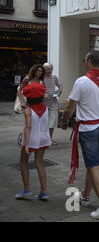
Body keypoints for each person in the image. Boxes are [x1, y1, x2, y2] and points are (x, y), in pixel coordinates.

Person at [61, 51, 99, 220]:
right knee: (94, 163)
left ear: (90, 62)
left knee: (93, 165)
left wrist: (64, 120)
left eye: (85, 60)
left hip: (88, 129)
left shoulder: (82, 81)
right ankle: (85, 196)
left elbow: (70, 107)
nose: (84, 62)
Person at [15, 71, 52, 201]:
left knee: (23, 162)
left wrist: (25, 145)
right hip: (43, 138)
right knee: (39, 163)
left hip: (31, 139)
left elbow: (28, 127)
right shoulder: (46, 108)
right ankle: (44, 191)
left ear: (28, 96)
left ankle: (26, 189)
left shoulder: (28, 110)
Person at [43, 63, 63, 146]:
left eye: (50, 69)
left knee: (52, 121)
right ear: (43, 69)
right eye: (47, 69)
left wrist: (60, 90)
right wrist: (43, 93)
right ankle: (43, 138)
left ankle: (49, 139)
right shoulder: (40, 79)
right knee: (43, 122)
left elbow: (59, 85)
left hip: (53, 101)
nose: (49, 71)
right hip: (43, 103)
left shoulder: (54, 77)